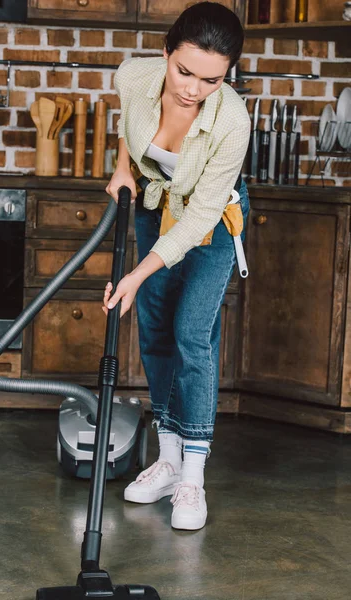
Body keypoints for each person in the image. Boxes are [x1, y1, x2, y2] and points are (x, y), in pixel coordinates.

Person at [103, 1, 250, 531]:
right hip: (153, 205)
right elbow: (128, 119)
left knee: (191, 333)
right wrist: (123, 167)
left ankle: (192, 476)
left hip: (211, 220)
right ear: (165, 53)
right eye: (183, 70)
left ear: (228, 74)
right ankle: (165, 461)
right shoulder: (133, 74)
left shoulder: (232, 120)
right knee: (156, 330)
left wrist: (138, 273)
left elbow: (199, 219)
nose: (192, 89)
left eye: (212, 80)